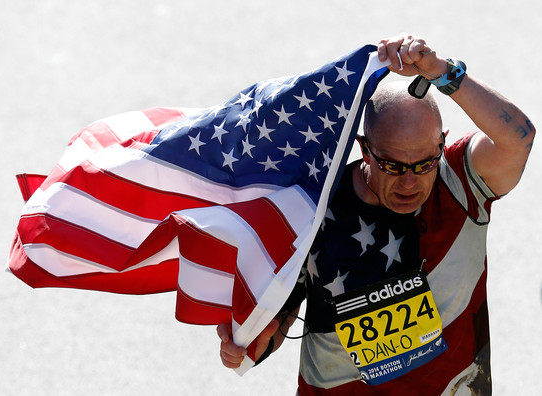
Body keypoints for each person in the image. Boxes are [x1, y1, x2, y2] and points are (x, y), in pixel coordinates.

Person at [217, 32, 535, 395]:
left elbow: (519, 139)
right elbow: (279, 316)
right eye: (392, 165)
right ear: (365, 150)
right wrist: (253, 342)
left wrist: (442, 73)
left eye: (424, 163)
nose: (410, 183)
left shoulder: (460, 182)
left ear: (441, 143)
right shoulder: (316, 207)